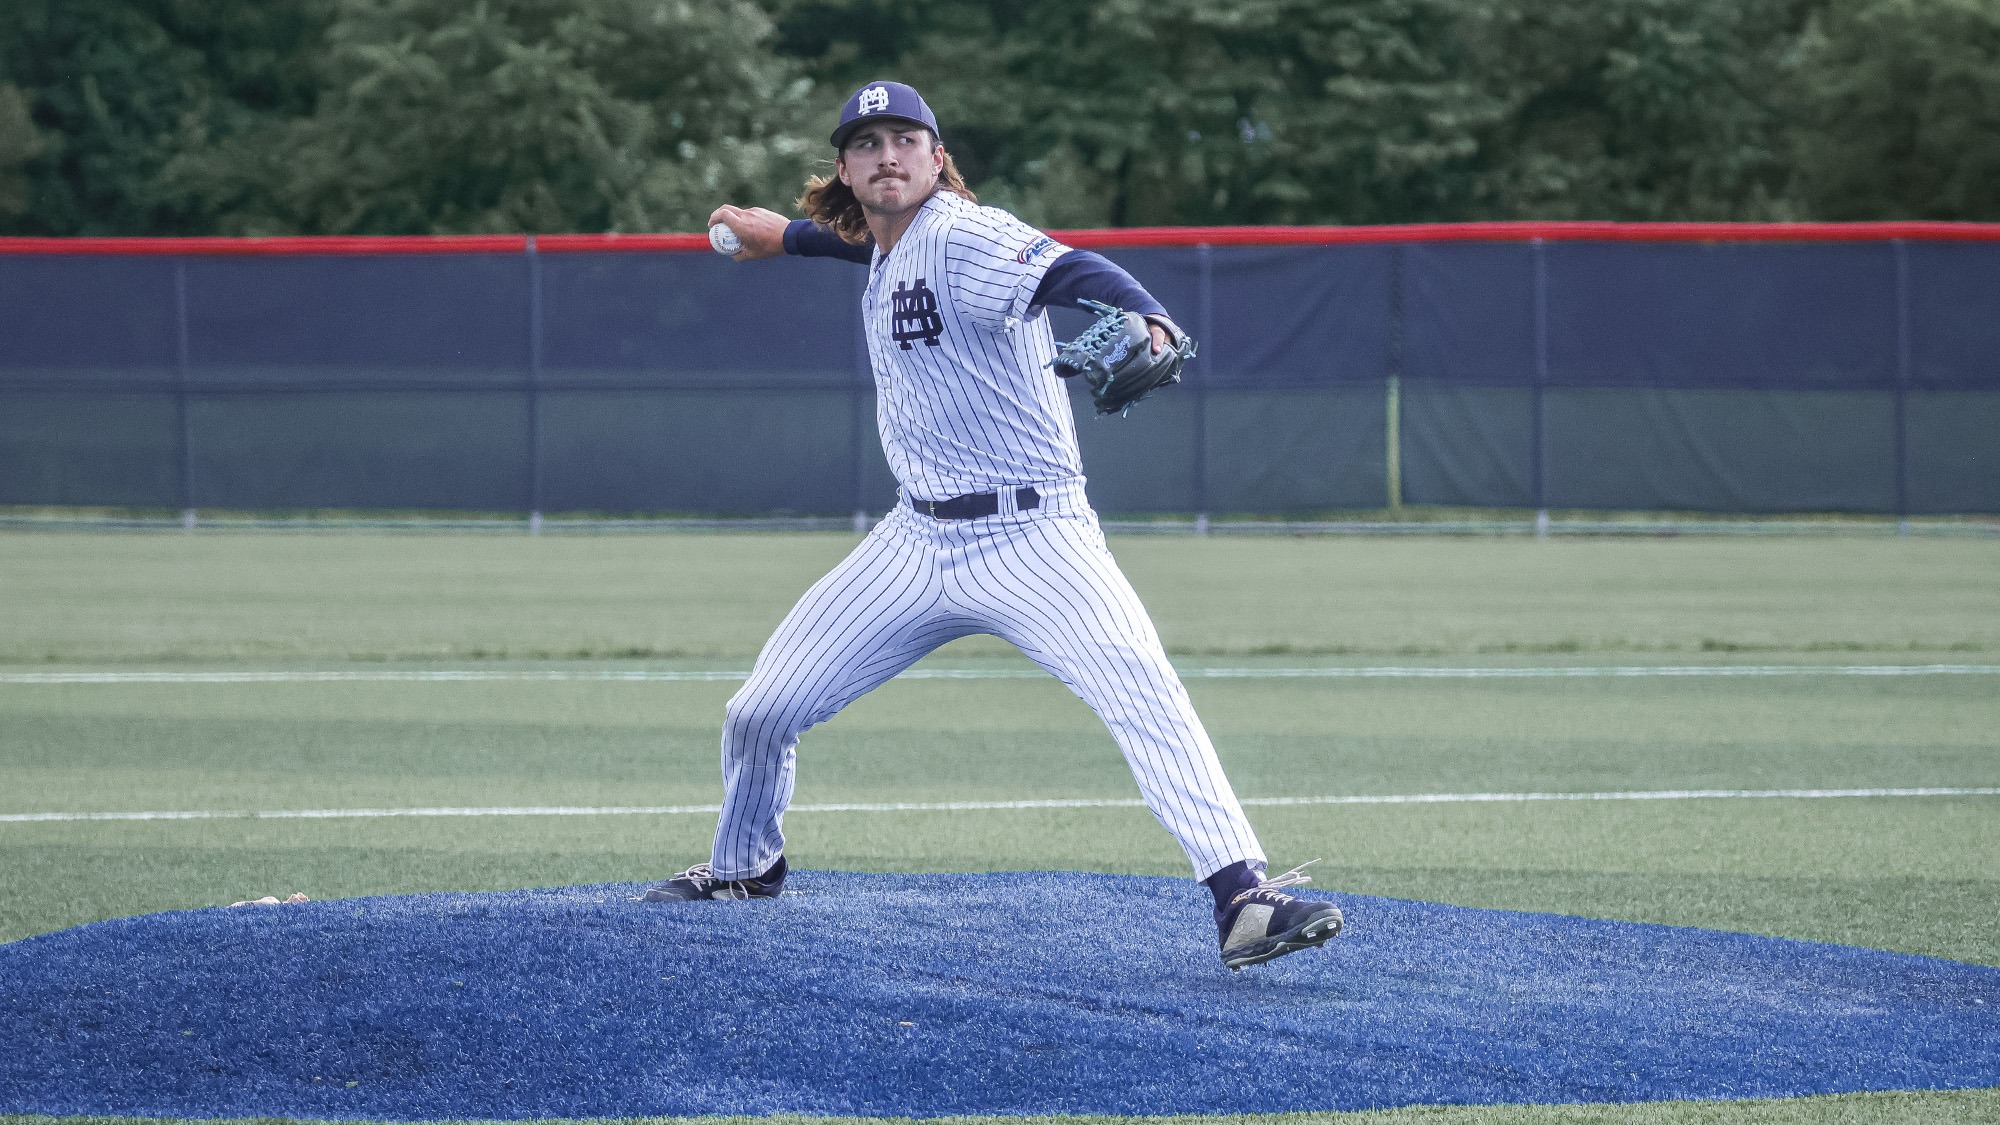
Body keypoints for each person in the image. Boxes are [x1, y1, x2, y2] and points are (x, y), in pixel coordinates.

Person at [645, 81, 1340, 970]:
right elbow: (868, 248)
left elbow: (1070, 268)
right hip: (915, 540)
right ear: (848, 170)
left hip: (1034, 535)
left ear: (938, 159)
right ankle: (747, 867)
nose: (888, 155)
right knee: (759, 710)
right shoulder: (892, 244)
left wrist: (1152, 316)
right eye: (867, 145)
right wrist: (787, 236)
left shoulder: (969, 232)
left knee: (1142, 689)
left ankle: (1244, 897)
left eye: (906, 139)